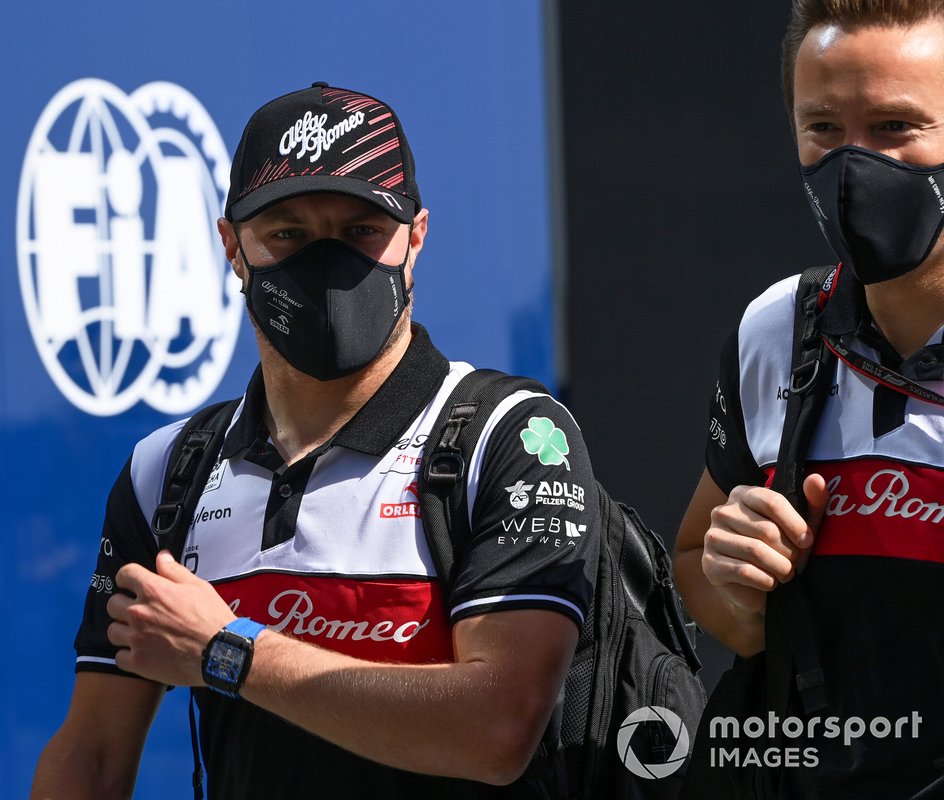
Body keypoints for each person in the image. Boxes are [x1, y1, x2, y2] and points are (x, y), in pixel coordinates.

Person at [30, 82, 601, 800]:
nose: (325, 264)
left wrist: (225, 650)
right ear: (232, 247)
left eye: (360, 230)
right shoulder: (169, 470)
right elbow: (93, 757)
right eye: (288, 235)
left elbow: (499, 730)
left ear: (415, 238)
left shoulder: (509, 434)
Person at [674, 1, 944, 796]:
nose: (855, 166)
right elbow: (702, 574)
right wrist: (735, 577)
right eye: (824, 128)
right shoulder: (780, 326)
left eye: (896, 126)